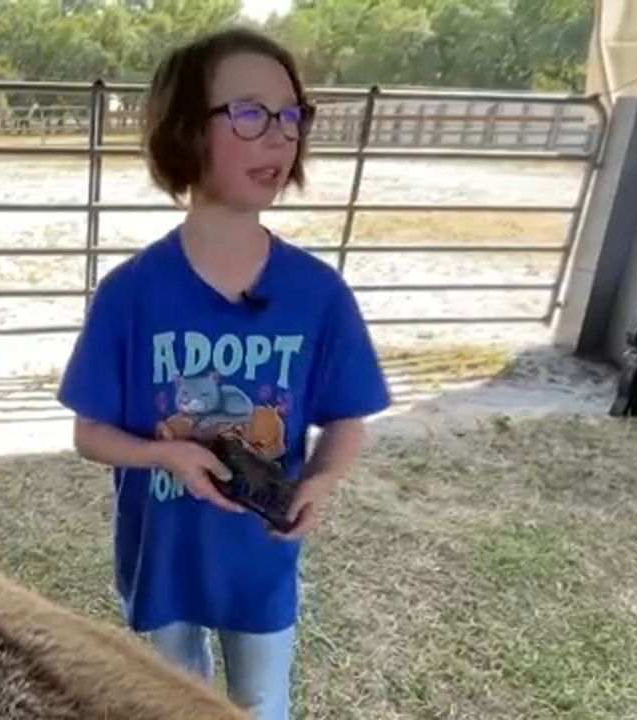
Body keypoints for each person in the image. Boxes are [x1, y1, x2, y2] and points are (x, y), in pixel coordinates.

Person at [56, 26, 391, 720]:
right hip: (161, 561)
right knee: (167, 704)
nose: (279, 135)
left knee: (260, 703)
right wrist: (165, 454)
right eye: (249, 113)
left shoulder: (318, 294)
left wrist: (320, 481)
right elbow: (90, 432)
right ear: (185, 131)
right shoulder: (132, 293)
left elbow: (346, 418)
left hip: (261, 563)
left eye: (292, 115)